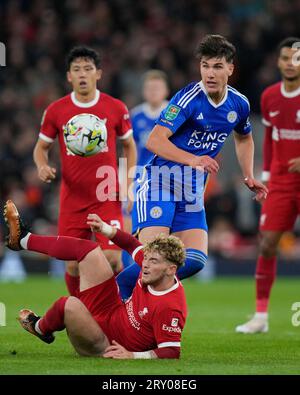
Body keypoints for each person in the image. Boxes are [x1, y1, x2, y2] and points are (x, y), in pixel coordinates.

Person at [117, 34, 268, 299]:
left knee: (195, 260)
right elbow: (154, 141)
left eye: (217, 66)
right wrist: (193, 159)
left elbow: (244, 137)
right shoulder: (188, 98)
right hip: (159, 183)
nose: (210, 73)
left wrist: (248, 175)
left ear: (230, 69)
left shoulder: (239, 103)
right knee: (151, 260)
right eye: (205, 65)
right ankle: (117, 299)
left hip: (190, 193)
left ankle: (132, 295)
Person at [4, 199, 187, 359]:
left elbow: (171, 351)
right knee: (89, 250)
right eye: (146, 258)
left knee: (67, 305)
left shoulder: (170, 305)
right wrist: (105, 228)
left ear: (171, 270)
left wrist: (132, 355)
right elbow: (132, 244)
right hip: (111, 309)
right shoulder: (152, 268)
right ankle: (23, 240)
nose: (145, 264)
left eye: (153, 261)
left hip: (105, 342)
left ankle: (39, 328)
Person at [33, 46, 137, 297]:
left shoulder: (115, 107)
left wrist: (127, 181)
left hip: (106, 195)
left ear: (98, 74)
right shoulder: (56, 110)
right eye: (77, 69)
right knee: (72, 264)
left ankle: (119, 313)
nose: (82, 74)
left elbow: (129, 147)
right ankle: (80, 313)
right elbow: (41, 148)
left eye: (88, 69)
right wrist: (42, 166)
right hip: (72, 199)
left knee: (112, 259)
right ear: (69, 76)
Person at [236, 37, 300, 334]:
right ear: (278, 61)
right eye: (286, 57)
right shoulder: (269, 97)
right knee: (267, 243)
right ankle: (261, 316)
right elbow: (271, 141)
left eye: (296, 58)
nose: (291, 63)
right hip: (282, 181)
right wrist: (265, 178)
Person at [131, 70, 169, 168]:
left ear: (166, 90)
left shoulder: (175, 114)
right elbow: (130, 146)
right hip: (142, 171)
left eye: (157, 88)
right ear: (143, 91)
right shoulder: (135, 114)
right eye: (150, 88)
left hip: (168, 171)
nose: (153, 92)